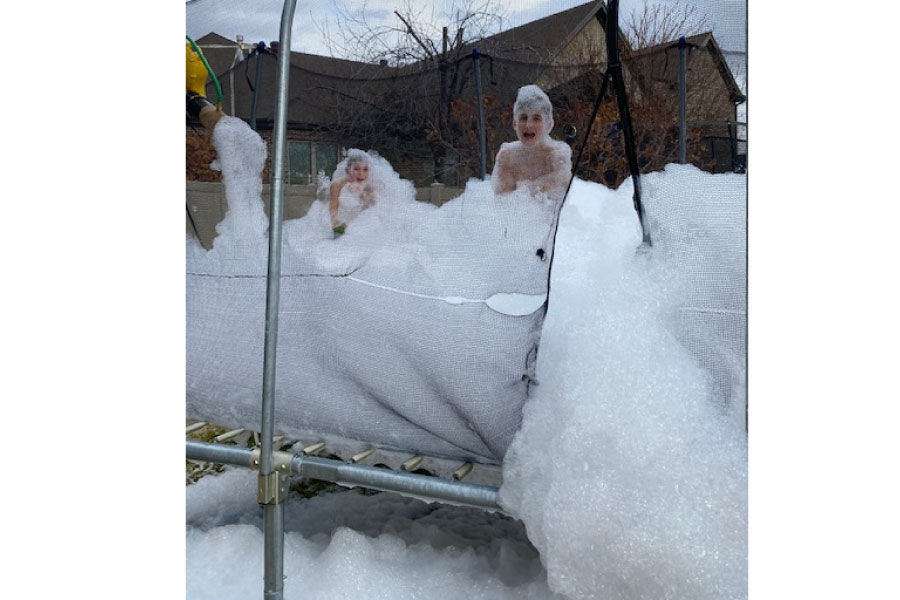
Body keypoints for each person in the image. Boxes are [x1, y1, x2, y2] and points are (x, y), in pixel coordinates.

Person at [492, 84, 571, 204]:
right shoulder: (507, 157)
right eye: (523, 118)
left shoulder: (557, 158)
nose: (528, 125)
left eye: (536, 118)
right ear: (514, 123)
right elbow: (502, 205)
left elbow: (561, 205)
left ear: (548, 124)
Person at [329, 151, 376, 234]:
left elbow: (371, 211)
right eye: (356, 169)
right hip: (340, 223)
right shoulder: (337, 185)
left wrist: (367, 197)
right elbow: (333, 205)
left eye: (365, 169)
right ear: (347, 170)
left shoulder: (368, 189)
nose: (361, 173)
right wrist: (334, 222)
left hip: (358, 225)